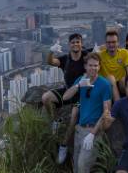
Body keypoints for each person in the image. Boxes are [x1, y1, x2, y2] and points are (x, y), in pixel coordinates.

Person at [41, 33, 89, 164]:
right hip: (68, 90)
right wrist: (51, 51)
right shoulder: (65, 59)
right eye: (73, 42)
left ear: (81, 43)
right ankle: (55, 120)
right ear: (69, 45)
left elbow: (103, 49)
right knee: (46, 98)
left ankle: (63, 146)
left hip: (81, 93)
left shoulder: (86, 55)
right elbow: (50, 61)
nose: (75, 44)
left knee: (74, 116)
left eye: (78, 42)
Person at [62, 52, 113, 173]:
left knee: (83, 166)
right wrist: (79, 85)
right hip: (79, 129)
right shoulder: (81, 80)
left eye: (96, 65)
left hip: (93, 131)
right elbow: (65, 97)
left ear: (99, 67)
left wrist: (93, 134)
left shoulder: (105, 85)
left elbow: (106, 111)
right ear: (85, 66)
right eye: (90, 65)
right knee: (76, 167)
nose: (93, 68)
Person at [98, 30, 128, 101]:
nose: (111, 45)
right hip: (107, 84)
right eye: (109, 42)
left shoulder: (124, 53)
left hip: (121, 84)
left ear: (118, 43)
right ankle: (118, 106)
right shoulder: (100, 55)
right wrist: (98, 48)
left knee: (124, 80)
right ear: (105, 44)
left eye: (114, 42)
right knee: (111, 78)